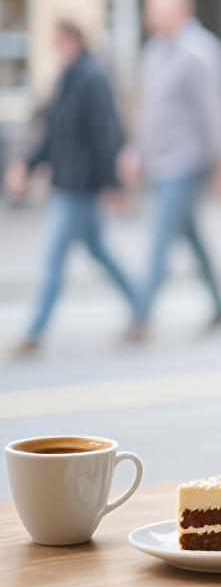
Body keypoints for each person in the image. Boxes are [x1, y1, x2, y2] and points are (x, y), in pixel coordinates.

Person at [5, 20, 137, 354]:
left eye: (57, 40)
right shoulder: (69, 77)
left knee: (54, 256)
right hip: (67, 181)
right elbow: (53, 134)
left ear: (73, 39)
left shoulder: (93, 77)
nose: (53, 47)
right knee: (99, 251)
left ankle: (34, 331)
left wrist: (113, 184)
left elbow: (105, 134)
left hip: (81, 185)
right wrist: (28, 165)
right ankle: (140, 303)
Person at [121, 0, 221, 339]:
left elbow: (212, 111)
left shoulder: (200, 51)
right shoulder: (153, 51)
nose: (150, 19)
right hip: (159, 159)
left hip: (186, 161)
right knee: (190, 234)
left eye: (157, 11)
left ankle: (141, 316)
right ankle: (220, 304)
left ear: (182, 11)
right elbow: (147, 109)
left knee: (161, 237)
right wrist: (136, 151)